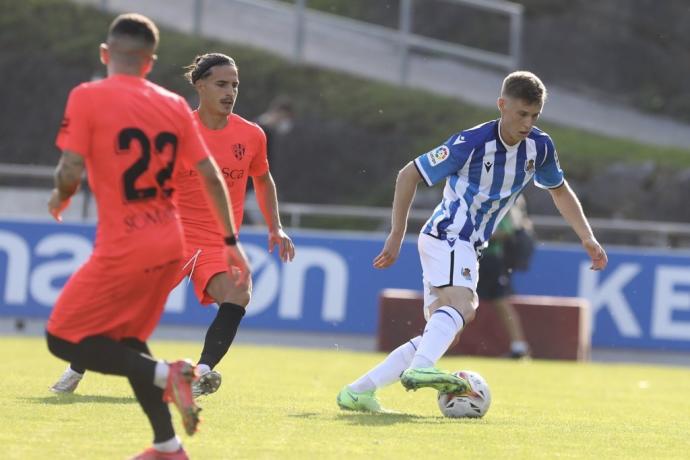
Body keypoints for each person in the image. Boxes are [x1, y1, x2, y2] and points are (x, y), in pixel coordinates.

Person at [337, 71, 608, 413]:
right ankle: (421, 368)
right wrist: (395, 234)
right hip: (451, 234)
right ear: (502, 105)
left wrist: (587, 237)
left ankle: (359, 391)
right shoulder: (472, 142)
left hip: (467, 244)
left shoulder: (540, 147)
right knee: (465, 307)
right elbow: (409, 174)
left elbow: (560, 191)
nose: (527, 123)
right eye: (521, 113)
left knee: (445, 330)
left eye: (534, 115)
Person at [45, 14, 250, 460]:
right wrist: (232, 241)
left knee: (63, 337)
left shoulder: (87, 96)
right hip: (169, 239)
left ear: (105, 54)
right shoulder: (174, 107)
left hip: (126, 240)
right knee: (129, 336)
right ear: (151, 62)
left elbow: (69, 169)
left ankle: (169, 374)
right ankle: (167, 446)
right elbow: (212, 177)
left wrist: (61, 197)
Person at [51, 52, 295, 400]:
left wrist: (276, 227)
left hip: (217, 242)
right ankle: (76, 367)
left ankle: (203, 373)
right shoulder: (174, 129)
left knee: (239, 291)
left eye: (235, 85)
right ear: (200, 86)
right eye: (221, 84)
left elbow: (263, 179)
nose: (230, 92)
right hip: (169, 237)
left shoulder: (252, 135)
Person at [476, 195, 533, 359]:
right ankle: (519, 346)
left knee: (500, 302)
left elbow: (506, 231)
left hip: (491, 260)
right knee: (469, 302)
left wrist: (480, 236)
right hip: (481, 259)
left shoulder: (499, 203)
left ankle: (519, 346)